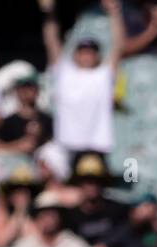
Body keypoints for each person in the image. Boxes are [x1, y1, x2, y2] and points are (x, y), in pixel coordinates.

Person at [41, 0, 123, 162]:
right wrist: (49, 13)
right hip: (66, 145)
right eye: (83, 52)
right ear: (75, 54)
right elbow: (51, 41)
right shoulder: (64, 72)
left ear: (97, 55)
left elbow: (118, 45)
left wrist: (114, 13)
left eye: (91, 52)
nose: (87, 56)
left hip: (96, 145)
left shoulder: (103, 75)